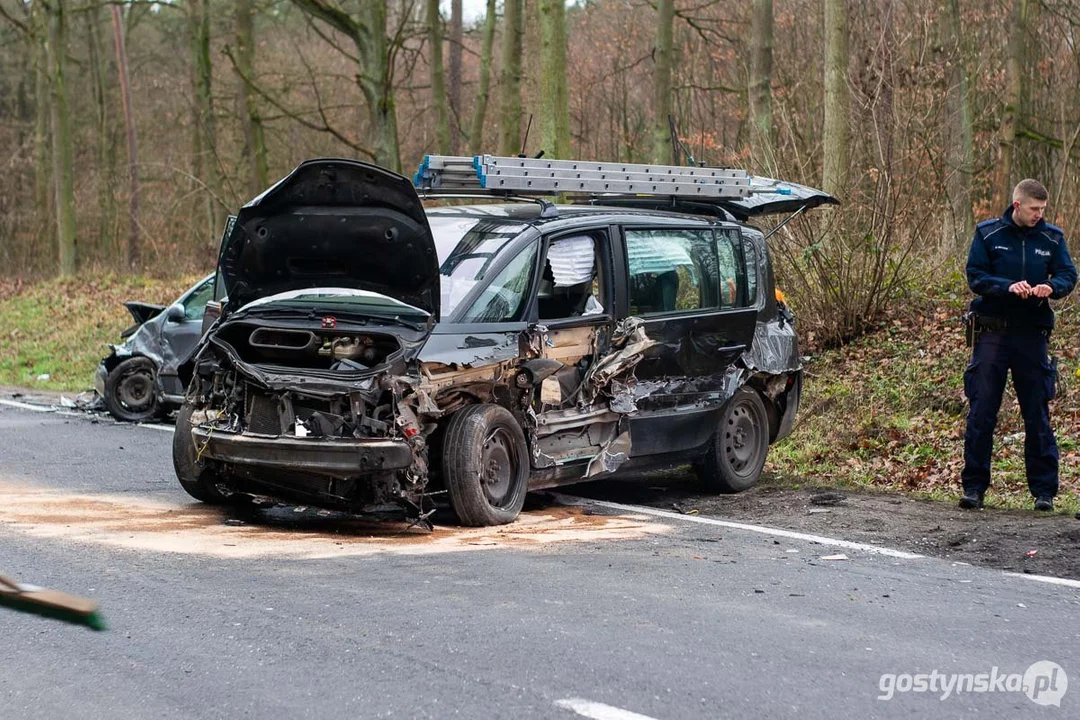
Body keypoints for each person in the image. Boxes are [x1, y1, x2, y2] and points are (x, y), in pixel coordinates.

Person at [961, 179, 1077, 511]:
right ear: (1017, 206)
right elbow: (976, 275)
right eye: (1034, 209)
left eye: (1043, 209)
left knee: (1037, 413)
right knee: (982, 412)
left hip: (1031, 334)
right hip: (992, 334)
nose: (1039, 214)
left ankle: (1044, 492)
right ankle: (974, 488)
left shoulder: (1052, 238)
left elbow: (1068, 275)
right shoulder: (988, 234)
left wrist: (1050, 287)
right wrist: (1008, 287)